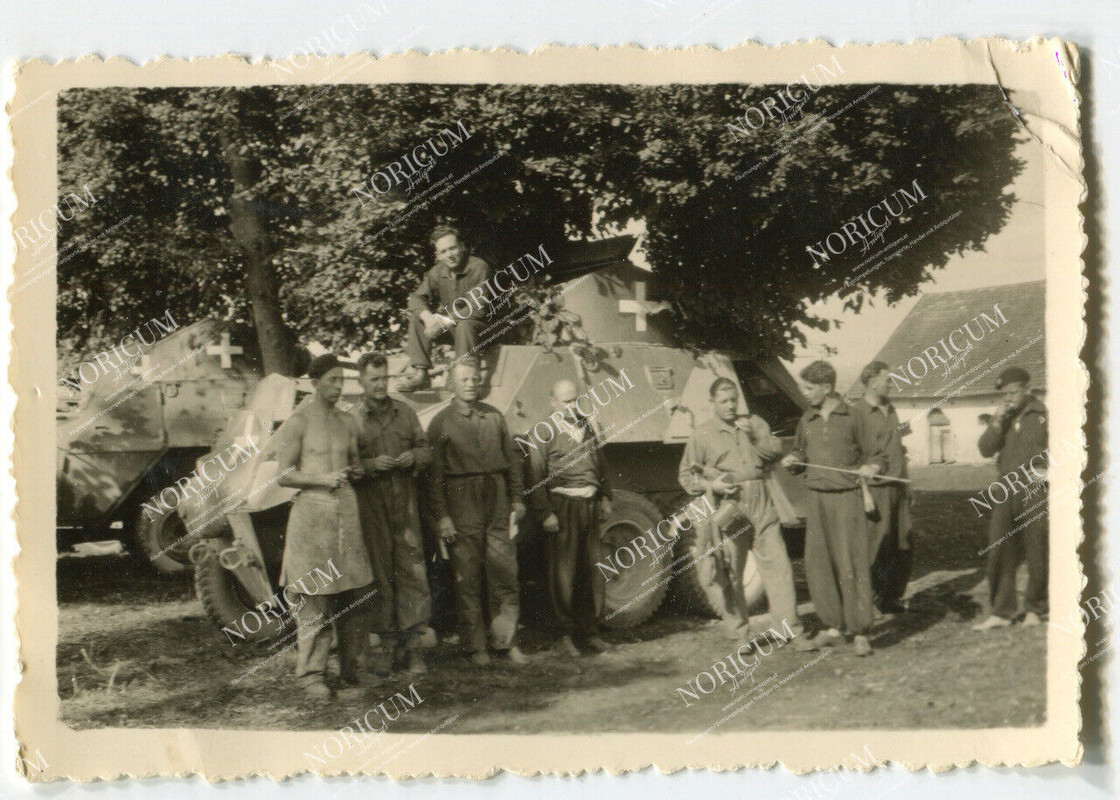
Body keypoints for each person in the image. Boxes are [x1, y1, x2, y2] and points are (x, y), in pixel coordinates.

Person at [679, 377, 817, 652]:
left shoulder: (755, 423)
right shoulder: (702, 435)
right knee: (731, 570)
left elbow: (775, 451)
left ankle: (790, 630)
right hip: (729, 504)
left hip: (761, 499)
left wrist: (753, 435)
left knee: (779, 567)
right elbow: (686, 476)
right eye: (723, 402)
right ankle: (739, 633)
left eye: (733, 400)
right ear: (712, 404)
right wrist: (711, 485)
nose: (730, 406)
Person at [274, 353, 375, 699]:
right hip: (312, 517)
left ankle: (353, 671)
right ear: (315, 383)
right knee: (314, 599)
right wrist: (321, 478)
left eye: (340, 380)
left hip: (346, 515)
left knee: (353, 593)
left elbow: (355, 463)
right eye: (331, 380)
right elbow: (283, 476)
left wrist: (357, 471)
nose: (337, 386)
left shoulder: (348, 421)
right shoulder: (298, 421)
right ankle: (312, 676)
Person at [428, 358, 530, 666]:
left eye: (475, 378)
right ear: (452, 384)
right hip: (461, 499)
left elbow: (512, 460)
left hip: (496, 497)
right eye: (464, 379)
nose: (471, 383)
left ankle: (505, 640)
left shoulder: (494, 416)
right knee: (467, 577)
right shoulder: (441, 422)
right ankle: (475, 647)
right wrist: (443, 516)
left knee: (504, 572)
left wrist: (516, 498)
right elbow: (433, 477)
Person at [782, 361, 883, 656]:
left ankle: (860, 630)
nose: (804, 393)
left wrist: (871, 467)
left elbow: (875, 455)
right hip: (816, 499)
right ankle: (832, 627)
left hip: (847, 498)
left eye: (809, 388)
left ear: (827, 387)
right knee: (820, 564)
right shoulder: (807, 419)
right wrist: (793, 461)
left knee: (851, 562)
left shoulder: (853, 416)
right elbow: (800, 453)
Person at [351, 352, 433, 675]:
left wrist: (413, 456)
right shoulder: (352, 419)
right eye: (373, 380)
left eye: (384, 378)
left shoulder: (406, 413)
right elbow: (346, 463)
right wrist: (370, 465)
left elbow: (426, 449)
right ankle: (386, 645)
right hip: (372, 504)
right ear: (361, 381)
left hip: (405, 502)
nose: (380, 385)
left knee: (412, 569)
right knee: (379, 573)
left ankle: (413, 648)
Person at [528, 379, 614, 657]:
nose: (571, 405)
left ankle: (591, 632)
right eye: (565, 401)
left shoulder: (586, 425)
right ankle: (564, 636)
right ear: (553, 402)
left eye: (575, 399)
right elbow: (535, 474)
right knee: (562, 575)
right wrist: (546, 513)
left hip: (588, 506)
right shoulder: (543, 431)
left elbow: (599, 462)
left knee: (592, 571)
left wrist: (605, 495)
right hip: (562, 507)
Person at [972, 367, 1049, 631]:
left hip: (1035, 489)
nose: (1009, 398)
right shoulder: (1002, 418)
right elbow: (985, 449)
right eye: (1005, 394)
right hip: (1005, 489)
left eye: (1014, 392)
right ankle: (1002, 611)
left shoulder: (1044, 415)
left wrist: (1048, 471)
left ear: (1028, 389)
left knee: (1037, 549)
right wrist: (996, 422)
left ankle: (1036, 608)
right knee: (999, 548)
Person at [397, 225, 492, 391]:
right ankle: (422, 374)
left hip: (483, 329)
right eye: (443, 252)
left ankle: (463, 376)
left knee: (466, 324)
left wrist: (444, 321)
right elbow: (416, 298)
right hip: (454, 327)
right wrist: (428, 318)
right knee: (418, 318)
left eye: (452, 248)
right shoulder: (438, 272)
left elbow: (478, 308)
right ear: (438, 255)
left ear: (461, 246)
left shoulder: (478, 266)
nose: (449, 255)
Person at [851, 361, 913, 614]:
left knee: (903, 544)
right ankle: (869, 601)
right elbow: (853, 454)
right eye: (887, 379)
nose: (891, 383)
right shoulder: (856, 413)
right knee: (875, 548)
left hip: (899, 487)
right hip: (876, 489)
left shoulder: (891, 409)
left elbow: (898, 448)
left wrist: (908, 486)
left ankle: (891, 598)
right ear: (871, 381)